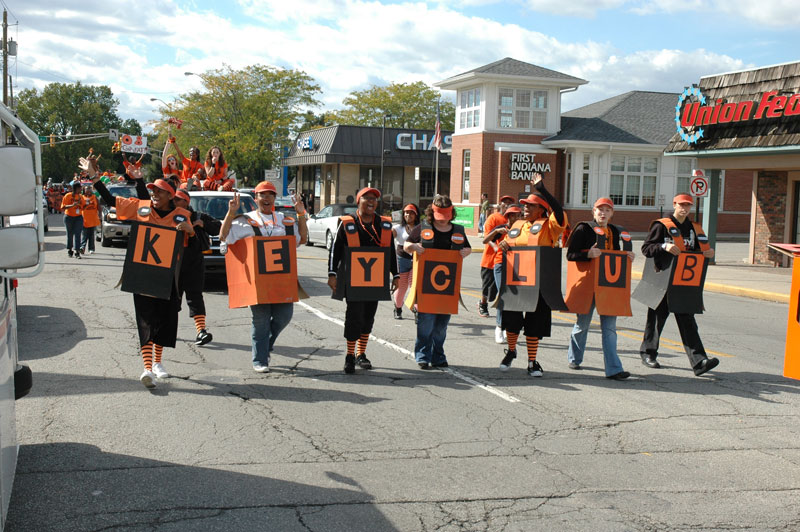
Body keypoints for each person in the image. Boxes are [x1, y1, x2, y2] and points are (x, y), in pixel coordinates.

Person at [89, 162, 194, 388]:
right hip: (143, 275)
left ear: (170, 195)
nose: (155, 194)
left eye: (160, 191)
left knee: (163, 322)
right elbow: (111, 201)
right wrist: (95, 178)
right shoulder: (141, 207)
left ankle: (158, 362)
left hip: (168, 278)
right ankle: (147, 368)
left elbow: (192, 241)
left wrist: (190, 230)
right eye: (153, 190)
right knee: (146, 321)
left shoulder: (181, 215)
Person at [220, 182, 308, 372]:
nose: (266, 198)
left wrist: (301, 214)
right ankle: (260, 359)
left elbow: (302, 239)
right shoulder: (245, 219)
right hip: (257, 282)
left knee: (284, 316)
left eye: (270, 195)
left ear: (275, 198)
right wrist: (230, 214)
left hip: (281, 280)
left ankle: (267, 342)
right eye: (262, 195)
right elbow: (224, 237)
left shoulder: (284, 219)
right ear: (256, 198)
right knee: (260, 321)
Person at [639, 193, 719, 376]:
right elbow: (646, 249)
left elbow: (700, 251)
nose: (684, 208)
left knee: (688, 321)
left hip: (683, 282)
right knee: (657, 320)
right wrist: (663, 247)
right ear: (674, 204)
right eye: (681, 205)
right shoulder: (662, 225)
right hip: (662, 281)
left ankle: (699, 361)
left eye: (688, 205)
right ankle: (648, 353)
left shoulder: (694, 228)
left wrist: (708, 252)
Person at [497, 173, 567, 377]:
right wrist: (503, 245)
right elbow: (508, 246)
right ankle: (511, 351)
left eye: (530, 205)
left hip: (539, 283)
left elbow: (559, 211)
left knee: (535, 322)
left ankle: (532, 361)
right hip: (516, 280)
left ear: (542, 210)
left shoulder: (550, 226)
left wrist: (542, 189)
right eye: (524, 205)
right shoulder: (517, 225)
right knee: (511, 319)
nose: (525, 208)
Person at [328, 187, 399, 374]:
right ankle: (350, 355)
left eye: (374, 199)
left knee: (368, 318)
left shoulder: (383, 224)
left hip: (375, 281)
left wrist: (396, 275)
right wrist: (332, 273)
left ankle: (362, 353)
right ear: (358, 201)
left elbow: (391, 252)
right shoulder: (347, 223)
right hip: (353, 281)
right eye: (366, 198)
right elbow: (335, 251)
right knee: (354, 317)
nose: (371, 202)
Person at [565, 197, 632, 380]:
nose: (603, 213)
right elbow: (570, 255)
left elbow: (615, 255)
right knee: (582, 325)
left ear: (612, 213)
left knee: (610, 329)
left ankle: (613, 369)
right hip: (588, 286)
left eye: (607, 210)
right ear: (593, 212)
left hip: (609, 287)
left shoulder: (616, 232)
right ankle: (574, 358)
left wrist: (626, 256)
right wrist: (587, 253)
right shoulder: (583, 228)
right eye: (599, 209)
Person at [404, 195, 471, 369]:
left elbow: (468, 247)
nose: (443, 221)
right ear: (432, 213)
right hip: (426, 287)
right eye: (440, 216)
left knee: (441, 326)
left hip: (447, 288)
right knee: (426, 324)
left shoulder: (458, 230)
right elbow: (405, 245)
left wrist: (466, 251)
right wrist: (414, 247)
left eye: (446, 216)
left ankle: (438, 356)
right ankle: (422, 356)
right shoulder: (422, 228)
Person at [173, 189, 221, 346]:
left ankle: (201, 332)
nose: (174, 202)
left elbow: (218, 228)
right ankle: (168, 330)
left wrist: (203, 224)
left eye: (178, 199)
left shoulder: (198, 216)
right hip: (174, 264)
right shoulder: (169, 216)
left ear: (186, 202)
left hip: (194, 262)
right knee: (172, 298)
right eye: (173, 199)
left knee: (195, 297)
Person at [478, 194, 517, 339]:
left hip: (514, 264)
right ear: (500, 205)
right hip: (493, 259)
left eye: (510, 203)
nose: (507, 205)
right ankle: (486, 309)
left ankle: (509, 325)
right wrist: (495, 246)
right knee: (490, 288)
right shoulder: (494, 220)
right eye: (505, 203)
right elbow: (487, 237)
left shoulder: (522, 227)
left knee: (502, 293)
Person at [391, 203, 420, 320]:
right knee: (401, 287)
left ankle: (417, 311)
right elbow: (385, 241)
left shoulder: (421, 228)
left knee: (415, 286)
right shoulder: (397, 228)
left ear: (416, 215)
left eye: (411, 212)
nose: (408, 215)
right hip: (401, 261)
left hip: (416, 261)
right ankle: (398, 308)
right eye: (406, 212)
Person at [61, 181, 85, 259]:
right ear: (75, 188)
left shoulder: (81, 197)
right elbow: (63, 207)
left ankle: (77, 252)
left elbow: (84, 206)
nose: (81, 189)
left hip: (78, 217)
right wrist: (72, 205)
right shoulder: (68, 196)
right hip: (69, 217)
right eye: (79, 188)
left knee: (78, 234)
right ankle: (70, 250)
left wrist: (83, 205)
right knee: (70, 234)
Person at [80, 185, 100, 255]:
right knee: (85, 234)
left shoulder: (94, 197)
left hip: (93, 219)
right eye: (86, 189)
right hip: (84, 219)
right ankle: (82, 247)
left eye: (89, 189)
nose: (88, 190)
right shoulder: (81, 197)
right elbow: (79, 207)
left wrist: (100, 216)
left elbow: (99, 207)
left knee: (91, 235)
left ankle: (91, 249)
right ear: (84, 190)